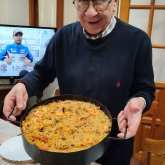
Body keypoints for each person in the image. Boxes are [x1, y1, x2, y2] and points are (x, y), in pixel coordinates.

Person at [3, 0, 155, 164]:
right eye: (83, 2)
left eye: (99, 2)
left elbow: (145, 89)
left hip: (114, 146)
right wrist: (23, 85)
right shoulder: (63, 36)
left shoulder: (137, 41)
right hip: (64, 149)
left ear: (115, 3)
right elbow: (42, 72)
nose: (90, 12)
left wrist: (139, 102)